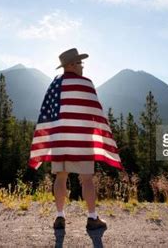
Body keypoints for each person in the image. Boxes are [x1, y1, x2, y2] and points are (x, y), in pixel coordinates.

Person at [28, 48, 123, 231]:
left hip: (60, 140)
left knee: (60, 178)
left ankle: (59, 217)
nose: (82, 66)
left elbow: (45, 115)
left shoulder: (54, 85)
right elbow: (95, 113)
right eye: (80, 63)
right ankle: (92, 218)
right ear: (71, 64)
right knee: (87, 179)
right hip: (81, 142)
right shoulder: (86, 84)